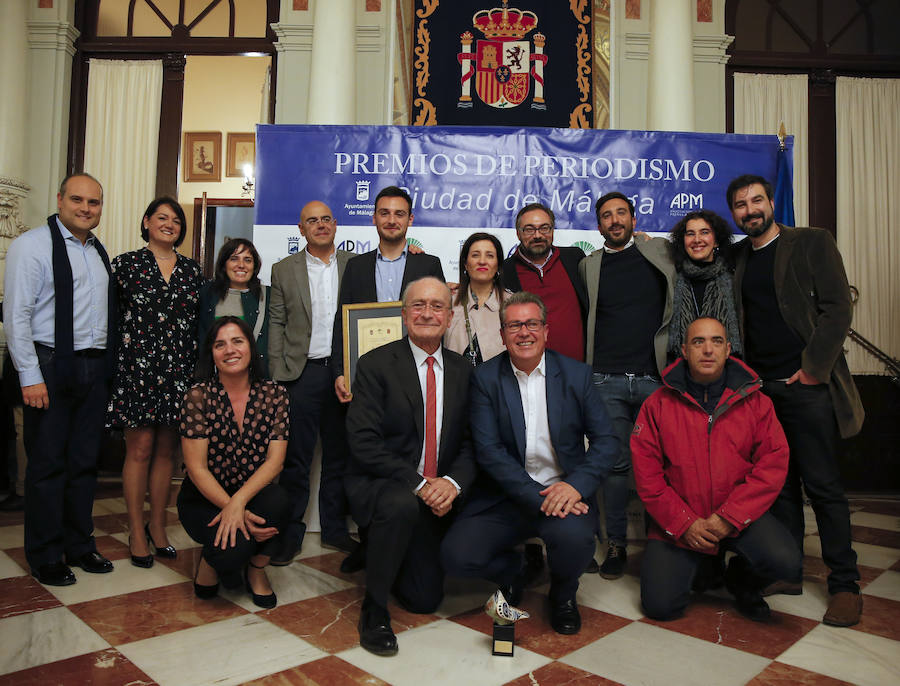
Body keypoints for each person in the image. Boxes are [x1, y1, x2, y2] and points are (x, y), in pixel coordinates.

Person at [727, 174, 865, 627]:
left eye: (757, 200)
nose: (750, 210)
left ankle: (844, 584)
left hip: (805, 388)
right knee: (780, 486)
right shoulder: (739, 257)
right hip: (760, 393)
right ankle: (787, 572)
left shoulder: (811, 242)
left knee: (822, 486)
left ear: (771, 203)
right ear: (734, 213)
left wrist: (811, 371)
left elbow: (837, 308)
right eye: (741, 204)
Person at [441, 292, 619, 635]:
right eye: (514, 326)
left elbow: (607, 441)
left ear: (546, 331)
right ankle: (515, 571)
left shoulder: (576, 375)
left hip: (563, 492)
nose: (524, 332)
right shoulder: (486, 378)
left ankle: (563, 595)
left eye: (532, 324)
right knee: (456, 556)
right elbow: (489, 451)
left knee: (578, 542)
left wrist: (574, 487)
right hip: (505, 495)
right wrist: (542, 497)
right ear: (502, 334)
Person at [632, 317, 799, 621]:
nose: (708, 350)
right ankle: (705, 566)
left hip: (737, 515)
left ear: (728, 349)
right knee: (660, 607)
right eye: (698, 342)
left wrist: (728, 518)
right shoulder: (657, 404)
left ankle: (740, 578)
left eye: (716, 341)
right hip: (680, 520)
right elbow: (647, 477)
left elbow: (772, 465)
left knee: (786, 562)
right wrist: (685, 524)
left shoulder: (757, 402)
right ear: (684, 350)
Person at [346, 277, 476, 656]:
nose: (427, 313)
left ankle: (385, 548)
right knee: (401, 505)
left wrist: (452, 483)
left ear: (449, 317)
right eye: (418, 305)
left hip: (438, 493)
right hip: (389, 484)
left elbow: (474, 442)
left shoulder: (465, 371)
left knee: (423, 600)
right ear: (404, 315)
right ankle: (374, 610)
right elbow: (364, 442)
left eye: (437, 306)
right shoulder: (375, 364)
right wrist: (419, 484)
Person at [3, 173, 115, 585]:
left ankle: (79, 545)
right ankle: (47, 554)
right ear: (60, 200)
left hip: (93, 368)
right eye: (78, 200)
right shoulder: (31, 246)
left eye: (93, 202)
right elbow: (16, 316)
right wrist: (30, 376)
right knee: (48, 465)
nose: (86, 208)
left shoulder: (98, 251)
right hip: (49, 366)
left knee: (84, 463)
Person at [578, 191, 676, 579]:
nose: (615, 220)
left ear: (635, 220)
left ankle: (664, 544)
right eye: (607, 215)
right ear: (598, 225)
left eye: (622, 213)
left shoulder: (661, 252)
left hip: (655, 378)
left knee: (662, 465)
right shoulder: (588, 265)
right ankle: (616, 544)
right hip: (605, 379)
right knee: (615, 467)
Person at [107, 197, 204, 568]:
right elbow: (111, 319)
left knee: (167, 452)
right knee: (140, 450)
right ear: (146, 221)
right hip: (137, 371)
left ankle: (158, 526)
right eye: (162, 217)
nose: (169, 224)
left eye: (176, 220)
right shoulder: (125, 265)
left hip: (178, 372)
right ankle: (136, 530)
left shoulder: (192, 271)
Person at [178, 316, 290, 609]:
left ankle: (256, 569)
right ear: (212, 354)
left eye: (237, 341)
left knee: (280, 501)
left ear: (251, 347)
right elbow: (197, 469)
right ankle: (211, 560)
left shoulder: (275, 394)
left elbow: (275, 463)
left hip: (250, 495)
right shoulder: (197, 396)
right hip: (204, 499)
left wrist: (238, 505)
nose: (230, 350)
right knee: (229, 553)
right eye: (220, 344)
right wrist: (232, 508)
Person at [267, 200, 357, 566]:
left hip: (343, 373)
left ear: (335, 225)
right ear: (301, 229)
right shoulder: (283, 269)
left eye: (325, 219)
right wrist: (277, 373)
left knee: (339, 456)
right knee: (296, 460)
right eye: (311, 221)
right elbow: (276, 322)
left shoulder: (355, 265)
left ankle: (335, 529)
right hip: (299, 375)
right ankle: (290, 534)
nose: (320, 225)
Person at [332, 185, 444, 403]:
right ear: (374, 218)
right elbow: (341, 322)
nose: (392, 220)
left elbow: (440, 321)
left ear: (410, 219)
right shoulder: (355, 266)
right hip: (367, 375)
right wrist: (339, 371)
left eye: (399, 214)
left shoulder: (428, 264)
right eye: (384, 213)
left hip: (417, 373)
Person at [501, 203, 587, 362]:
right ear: (518, 233)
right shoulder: (504, 271)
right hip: (528, 369)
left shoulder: (574, 258)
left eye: (544, 228)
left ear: (552, 230)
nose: (537, 235)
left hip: (577, 369)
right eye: (529, 229)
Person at [667, 210, 741, 359]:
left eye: (704, 232)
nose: (697, 239)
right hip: (680, 365)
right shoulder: (672, 278)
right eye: (690, 234)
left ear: (716, 241)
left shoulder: (734, 279)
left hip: (727, 365)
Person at [198, 238, 270, 376]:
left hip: (256, 378)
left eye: (247, 260)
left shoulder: (269, 295)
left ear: (255, 266)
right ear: (224, 264)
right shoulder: (207, 294)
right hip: (216, 378)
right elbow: (202, 338)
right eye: (234, 259)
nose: (241, 265)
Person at [444, 232, 507, 365]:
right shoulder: (447, 302)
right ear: (465, 264)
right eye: (475, 255)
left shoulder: (513, 304)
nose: (482, 261)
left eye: (489, 255)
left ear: (498, 264)